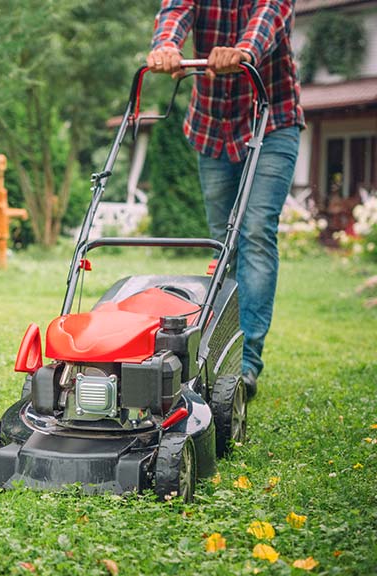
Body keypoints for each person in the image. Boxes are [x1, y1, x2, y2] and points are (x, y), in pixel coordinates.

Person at [147, 0, 305, 399]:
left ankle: (248, 361)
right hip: (212, 127)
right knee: (223, 242)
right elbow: (176, 10)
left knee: (253, 230)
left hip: (272, 119)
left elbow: (269, 13)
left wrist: (244, 51)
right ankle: (221, 355)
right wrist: (167, 45)